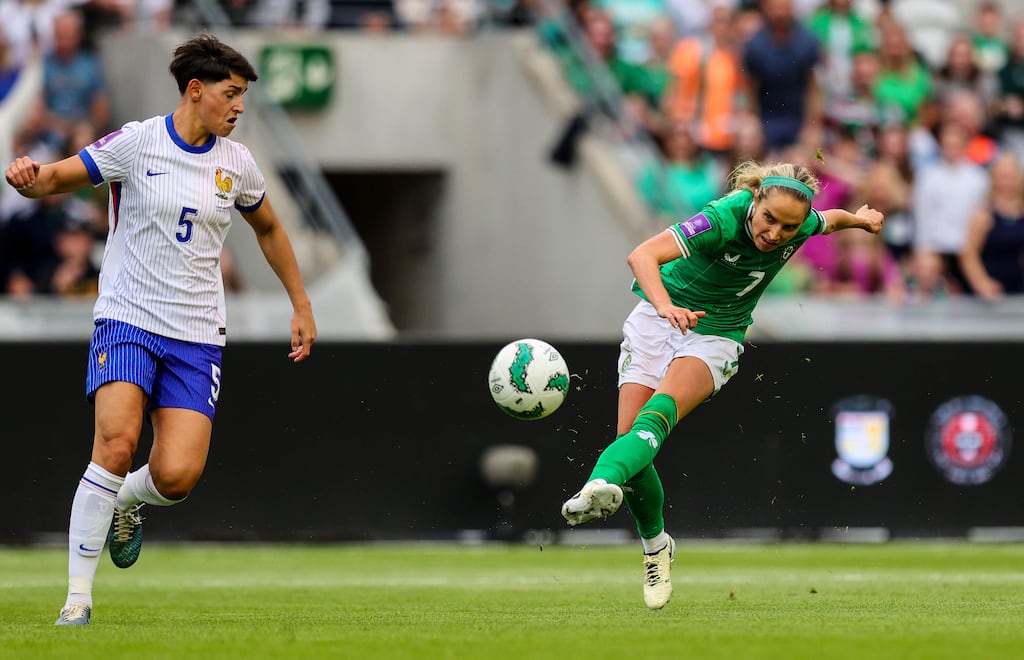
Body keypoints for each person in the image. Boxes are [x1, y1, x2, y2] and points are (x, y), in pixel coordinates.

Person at [4, 33, 318, 626]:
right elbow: (55, 179)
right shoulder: (136, 141)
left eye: (243, 96)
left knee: (177, 476)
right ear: (195, 91)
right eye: (231, 94)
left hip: (197, 333)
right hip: (127, 318)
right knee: (116, 445)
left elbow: (271, 230)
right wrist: (28, 173)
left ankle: (126, 502)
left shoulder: (238, 164)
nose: (239, 107)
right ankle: (77, 599)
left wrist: (299, 303)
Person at [559, 159, 884, 610]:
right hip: (660, 315)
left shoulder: (801, 222)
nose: (775, 233)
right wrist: (666, 307)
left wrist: (861, 219)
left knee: (656, 420)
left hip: (717, 332)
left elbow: (829, 221)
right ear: (755, 202)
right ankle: (657, 548)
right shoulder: (720, 219)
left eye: (788, 228)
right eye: (769, 219)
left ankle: (595, 484)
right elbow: (642, 256)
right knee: (631, 446)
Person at [958, 152, 1024, 300]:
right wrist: (982, 283)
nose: (1007, 183)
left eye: (1011, 177)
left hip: (1018, 288)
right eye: (1003, 177)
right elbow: (969, 255)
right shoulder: (984, 214)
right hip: (990, 293)